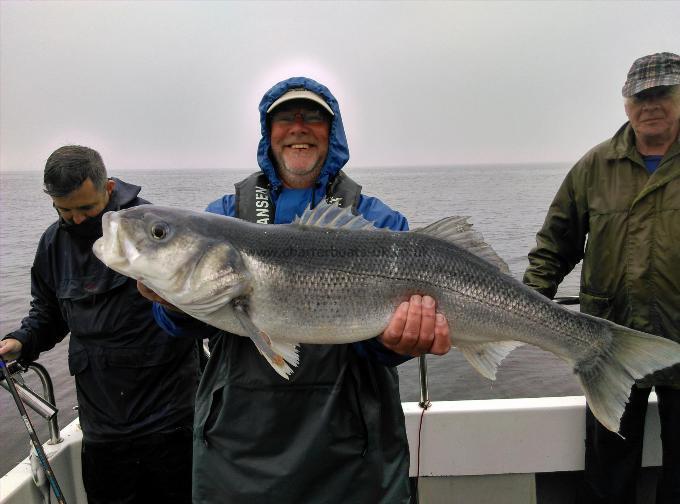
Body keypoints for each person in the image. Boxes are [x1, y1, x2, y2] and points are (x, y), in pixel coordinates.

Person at [138, 76, 452, 503]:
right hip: (239, 451)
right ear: (269, 135)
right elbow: (179, 326)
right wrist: (172, 303)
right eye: (285, 118)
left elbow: (383, 349)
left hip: (353, 454)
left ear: (333, 132)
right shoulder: (224, 217)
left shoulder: (379, 224)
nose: (298, 127)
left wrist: (398, 344)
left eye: (313, 118)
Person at [0, 146, 199, 504]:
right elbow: (48, 313)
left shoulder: (155, 230)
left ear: (108, 187)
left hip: (171, 419)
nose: (76, 219)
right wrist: (20, 341)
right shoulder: (52, 243)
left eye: (86, 208)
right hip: (103, 426)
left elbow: (195, 306)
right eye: (64, 210)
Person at [523, 52, 680, 504]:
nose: (650, 104)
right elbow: (555, 244)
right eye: (640, 95)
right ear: (625, 102)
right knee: (608, 474)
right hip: (608, 345)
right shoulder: (595, 166)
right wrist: (523, 309)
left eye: (662, 93)